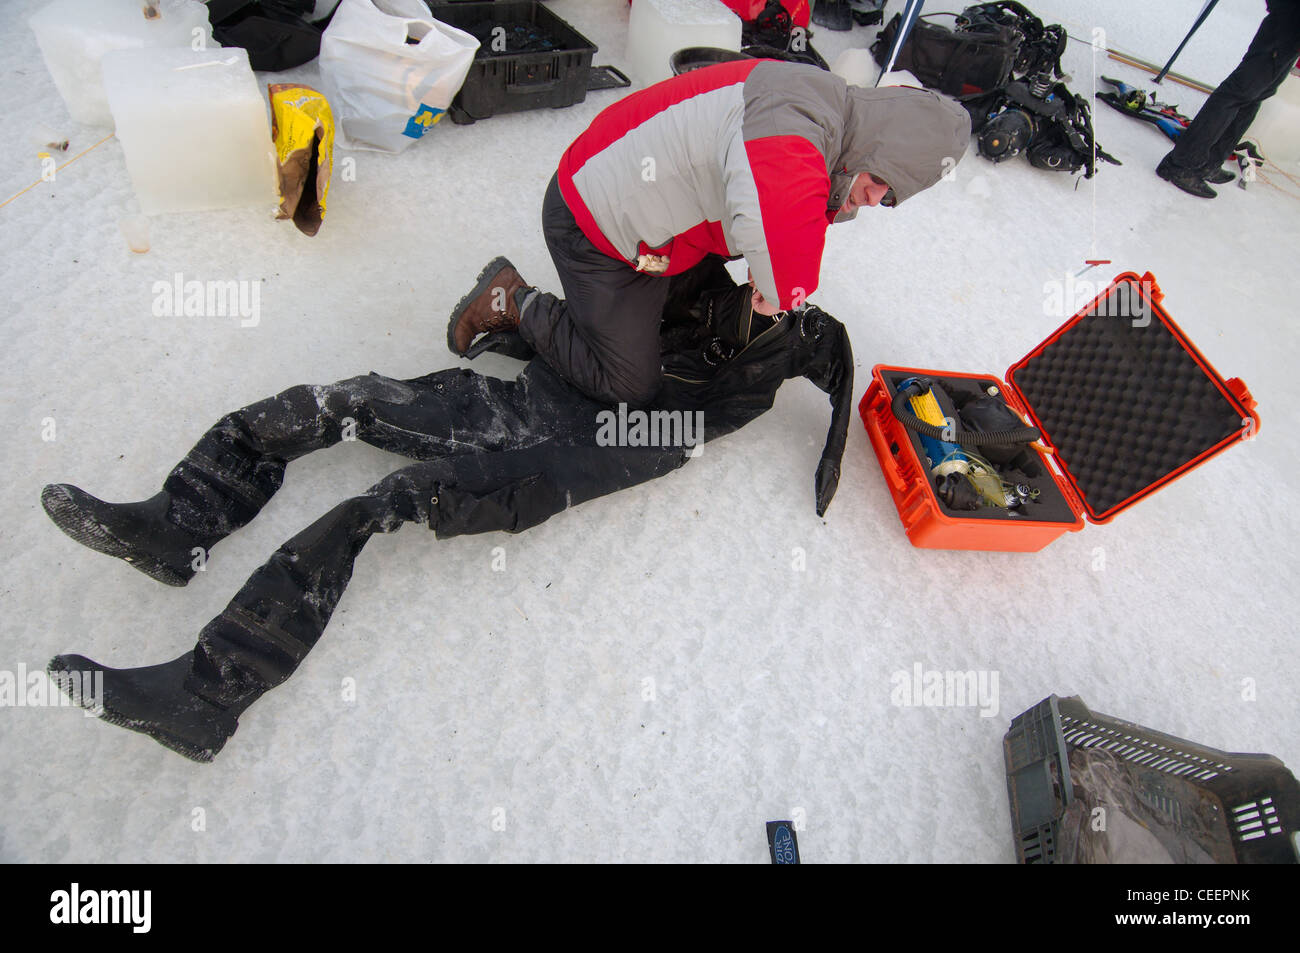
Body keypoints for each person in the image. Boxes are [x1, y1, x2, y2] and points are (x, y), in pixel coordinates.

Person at [40, 266, 853, 762]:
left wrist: (829, 458)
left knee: (389, 499)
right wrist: (537, 326)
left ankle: (207, 691)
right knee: (352, 400)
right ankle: (180, 520)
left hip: (586, 444)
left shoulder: (785, 344)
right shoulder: (710, 241)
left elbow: (818, 384)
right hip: (549, 391)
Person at [447, 58, 969, 405]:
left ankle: (623, 311)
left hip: (657, 232)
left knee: (711, 309)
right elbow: (781, 232)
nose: (876, 199)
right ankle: (513, 300)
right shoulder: (794, 127)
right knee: (629, 384)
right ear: (875, 146)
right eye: (879, 180)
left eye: (891, 196)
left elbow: (791, 211)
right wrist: (782, 291)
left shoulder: (831, 112)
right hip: (595, 229)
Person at [1156, 0, 1300, 198]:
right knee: (1238, 93)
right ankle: (1181, 164)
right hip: (1288, 19)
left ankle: (1210, 162)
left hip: (1292, 32)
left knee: (1257, 96)